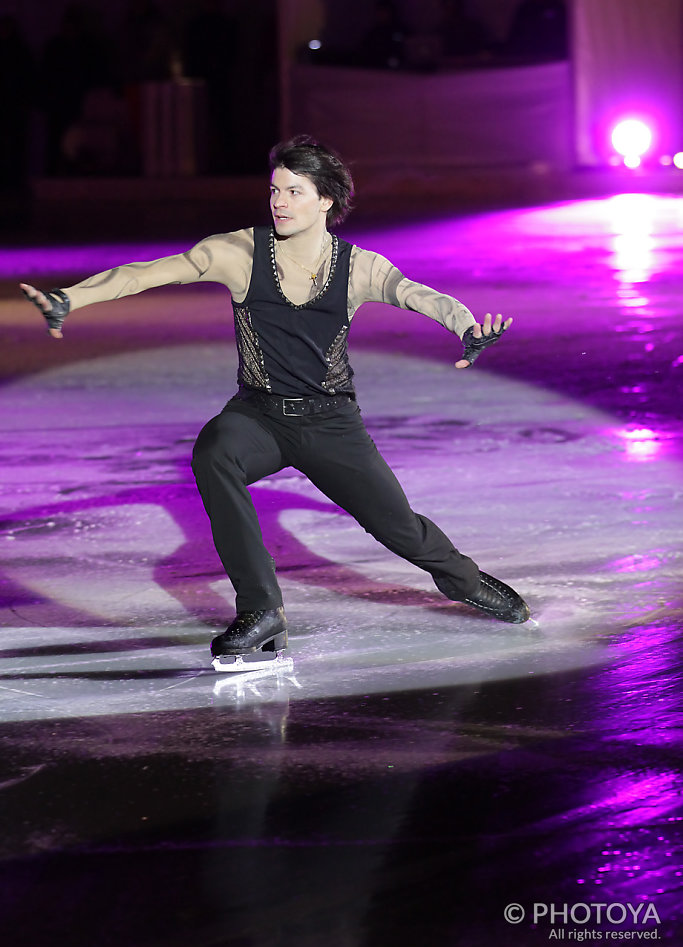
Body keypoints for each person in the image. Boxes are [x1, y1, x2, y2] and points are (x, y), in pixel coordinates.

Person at [20, 135, 530, 670]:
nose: (279, 202)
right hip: (258, 416)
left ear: (326, 200)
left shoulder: (357, 267)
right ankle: (262, 611)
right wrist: (68, 299)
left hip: (331, 424)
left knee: (399, 527)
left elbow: (419, 295)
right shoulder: (239, 252)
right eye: (274, 190)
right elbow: (145, 273)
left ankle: (466, 581)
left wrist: (466, 327)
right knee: (215, 451)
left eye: (294, 191)